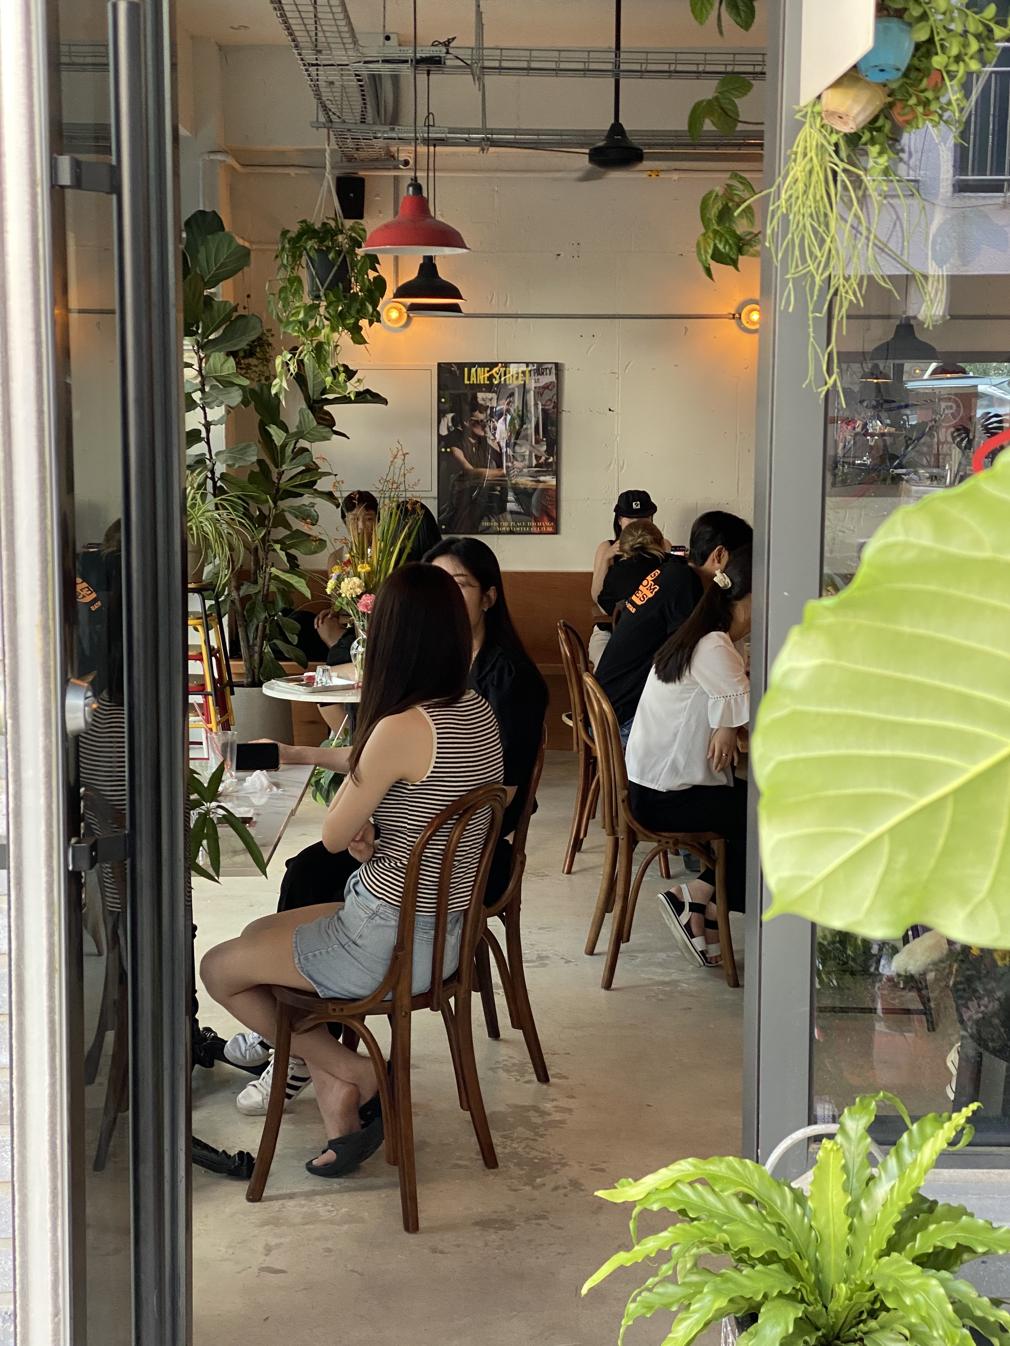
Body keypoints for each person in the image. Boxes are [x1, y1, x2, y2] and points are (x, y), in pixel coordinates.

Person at [202, 564, 504, 1178]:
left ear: (391, 637)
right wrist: (309, 761)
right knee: (262, 934)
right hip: (444, 936)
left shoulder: (400, 725)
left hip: (383, 941)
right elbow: (405, 779)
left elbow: (335, 835)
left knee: (219, 969)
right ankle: (339, 1103)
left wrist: (361, 823)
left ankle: (355, 1072)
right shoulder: (475, 710)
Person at [625, 548, 752, 968]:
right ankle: (699, 897)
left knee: (761, 809)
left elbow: (733, 709)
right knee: (770, 817)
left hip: (650, 788)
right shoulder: (715, 646)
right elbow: (750, 714)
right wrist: (729, 724)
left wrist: (727, 725)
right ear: (751, 600)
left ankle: (703, 905)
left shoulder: (703, 636)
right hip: (667, 798)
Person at [595, 510, 753, 745]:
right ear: (719, 555)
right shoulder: (685, 586)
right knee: (708, 735)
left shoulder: (674, 571)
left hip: (609, 706)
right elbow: (702, 655)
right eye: (742, 562)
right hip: (622, 720)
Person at [589, 491, 672, 668]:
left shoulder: (663, 545)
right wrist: (607, 558)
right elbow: (597, 599)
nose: (637, 525)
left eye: (643, 519)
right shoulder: (607, 547)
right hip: (610, 630)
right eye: (631, 519)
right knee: (606, 666)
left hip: (653, 631)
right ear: (619, 520)